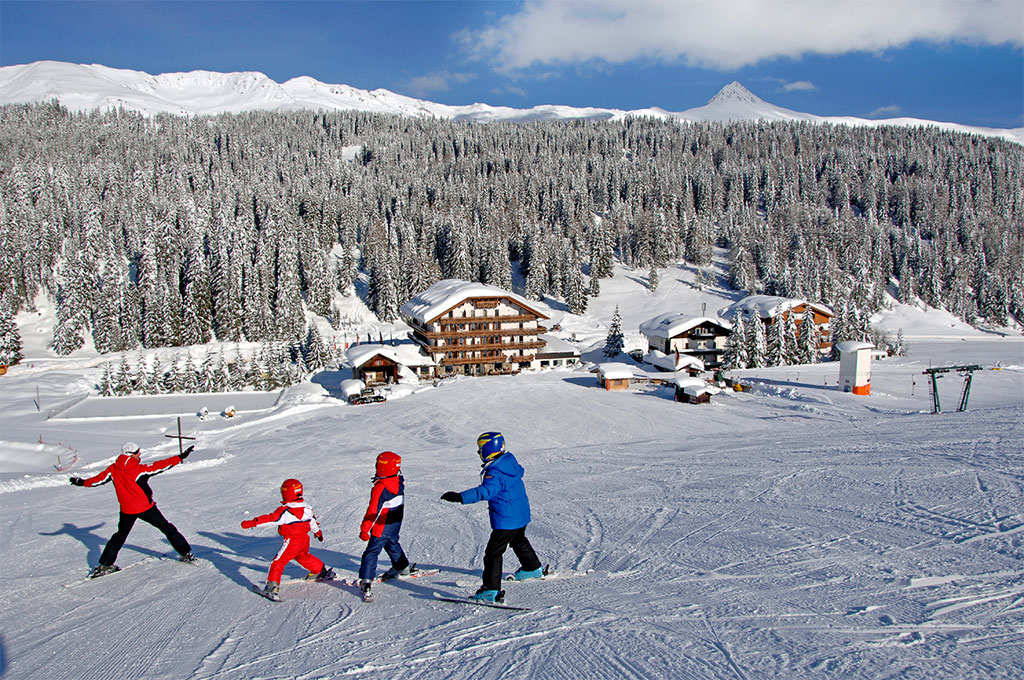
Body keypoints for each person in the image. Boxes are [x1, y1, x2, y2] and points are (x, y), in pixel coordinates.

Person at [441, 432, 543, 602]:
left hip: (507, 519)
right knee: (518, 540)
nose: (478, 452)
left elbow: (486, 491)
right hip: (519, 515)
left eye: (480, 449)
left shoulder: (495, 472)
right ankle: (532, 568)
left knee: (493, 553)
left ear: (488, 449)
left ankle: (491, 589)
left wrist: (460, 497)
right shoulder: (508, 463)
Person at [70, 441, 197, 578]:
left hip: (127, 510)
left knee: (119, 536)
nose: (139, 453)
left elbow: (97, 480)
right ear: (131, 454)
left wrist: (81, 482)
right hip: (145, 508)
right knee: (166, 527)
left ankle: (105, 565)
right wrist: (180, 457)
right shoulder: (138, 469)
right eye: (137, 452)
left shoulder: (113, 469)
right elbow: (160, 466)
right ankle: (185, 553)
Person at [241, 478, 334, 599]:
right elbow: (312, 521)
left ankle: (272, 588)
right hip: (304, 539)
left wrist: (253, 523)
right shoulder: (307, 508)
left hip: (292, 540)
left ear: (286, 493)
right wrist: (318, 532)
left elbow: (271, 519)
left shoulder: (286, 511)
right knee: (303, 556)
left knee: (278, 562)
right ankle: (320, 571)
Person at [357, 451, 417, 601]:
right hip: (394, 524)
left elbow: (373, 511)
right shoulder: (398, 482)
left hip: (381, 527)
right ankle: (401, 566)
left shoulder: (381, 488)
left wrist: (365, 529)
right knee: (392, 544)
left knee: (371, 552)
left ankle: (366, 581)